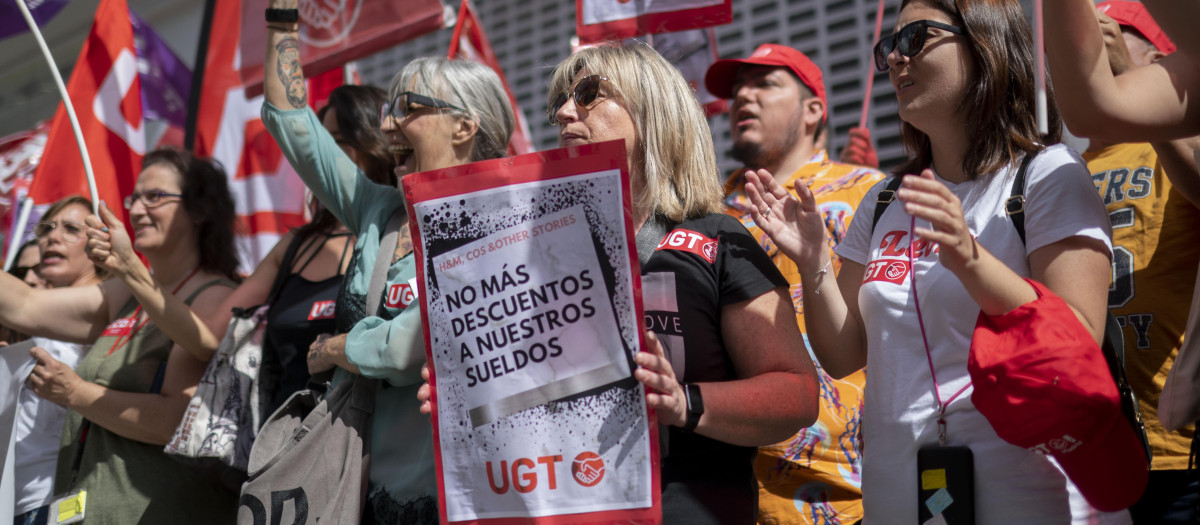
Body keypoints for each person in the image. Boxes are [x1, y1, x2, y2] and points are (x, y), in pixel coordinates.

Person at [745, 0, 1122, 521]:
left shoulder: (1048, 174)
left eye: (916, 37)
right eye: (889, 47)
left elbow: (1079, 338)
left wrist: (971, 260)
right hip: (899, 494)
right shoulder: (883, 200)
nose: (896, 59)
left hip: (1034, 493)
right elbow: (842, 354)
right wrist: (814, 264)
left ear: (984, 42)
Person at [541, 42, 820, 523]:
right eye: (559, 102)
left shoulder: (718, 238)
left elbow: (797, 393)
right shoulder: (538, 247)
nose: (566, 112)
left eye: (588, 93)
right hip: (559, 499)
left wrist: (683, 401)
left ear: (651, 112)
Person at [261, 1, 515, 519]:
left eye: (410, 107)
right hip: (359, 487)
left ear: (464, 127)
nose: (391, 124)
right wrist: (283, 20)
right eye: (390, 109)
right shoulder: (381, 209)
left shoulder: (503, 226)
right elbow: (293, 125)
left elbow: (406, 349)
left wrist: (334, 347)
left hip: (457, 494)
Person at [87, 84, 397, 416]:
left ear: (375, 145)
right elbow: (206, 340)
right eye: (321, 143)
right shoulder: (295, 247)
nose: (323, 157)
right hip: (286, 450)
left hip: (373, 449)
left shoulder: (403, 231)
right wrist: (132, 270)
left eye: (337, 144)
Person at [0, 148, 241, 523]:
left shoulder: (216, 296)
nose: (137, 209)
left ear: (200, 209)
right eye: (135, 198)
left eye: (156, 197)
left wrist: (76, 393)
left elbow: (174, 422)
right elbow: (24, 306)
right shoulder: (125, 295)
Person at [705, 43, 885, 524]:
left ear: (813, 111)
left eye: (766, 83)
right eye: (739, 87)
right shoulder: (704, 212)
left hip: (846, 491)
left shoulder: (869, 193)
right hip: (723, 484)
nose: (745, 96)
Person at [1081, 4, 1200, 522]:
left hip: (1180, 444)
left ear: (1163, 56)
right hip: (1094, 450)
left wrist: (1132, 85)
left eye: (1116, 33)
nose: (1098, 45)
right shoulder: (1058, 169)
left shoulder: (1178, 146)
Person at [8, 196, 107, 525]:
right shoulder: (46, 313)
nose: (52, 237)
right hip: (15, 497)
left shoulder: (109, 307)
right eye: (47, 228)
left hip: (57, 501)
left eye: (70, 229)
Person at [1044, 0, 1200, 142]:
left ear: (1156, 60)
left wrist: (1126, 67)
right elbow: (1091, 116)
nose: (1093, 46)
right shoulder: (1075, 163)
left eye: (1109, 32)